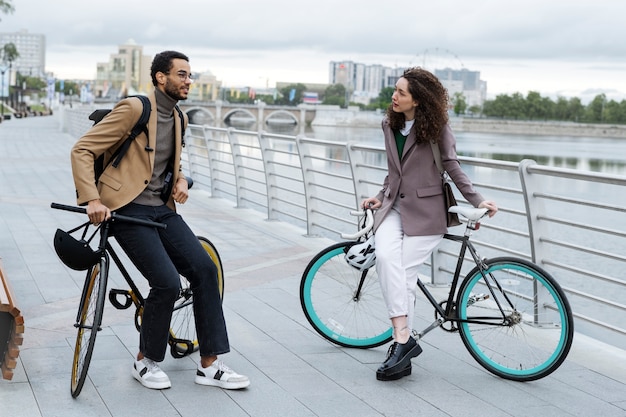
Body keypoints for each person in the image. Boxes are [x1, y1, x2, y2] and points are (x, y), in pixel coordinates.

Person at [71, 50, 250, 390]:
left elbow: (170, 163)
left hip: (162, 209)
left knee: (204, 269)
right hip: (125, 208)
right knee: (166, 281)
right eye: (182, 74)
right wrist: (93, 199)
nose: (189, 81)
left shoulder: (180, 118)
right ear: (160, 77)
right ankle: (146, 361)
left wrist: (181, 180)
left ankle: (209, 364)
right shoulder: (135, 108)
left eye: (190, 75)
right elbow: (82, 149)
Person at [361, 67, 497, 381]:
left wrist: (477, 200)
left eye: (401, 93)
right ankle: (404, 341)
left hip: (428, 212)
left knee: (404, 274)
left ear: (418, 101)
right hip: (394, 207)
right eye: (394, 90)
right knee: (385, 259)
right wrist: (381, 195)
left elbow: (452, 166)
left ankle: (401, 347)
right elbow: (394, 171)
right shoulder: (388, 124)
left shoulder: (437, 128)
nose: (394, 97)